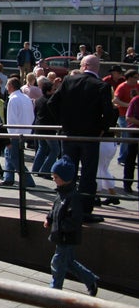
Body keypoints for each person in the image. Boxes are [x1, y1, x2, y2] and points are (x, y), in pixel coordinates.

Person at [48, 55, 117, 223]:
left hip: (70, 135)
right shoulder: (102, 86)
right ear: (96, 68)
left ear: (83, 65)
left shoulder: (68, 81)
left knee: (66, 172)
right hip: (90, 137)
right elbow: (109, 112)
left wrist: (64, 123)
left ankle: (64, 207)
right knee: (88, 175)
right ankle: (84, 211)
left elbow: (51, 103)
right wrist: (102, 129)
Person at [44, 156, 99, 296]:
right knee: (68, 262)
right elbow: (54, 209)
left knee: (57, 263)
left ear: (64, 178)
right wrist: (49, 218)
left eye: (55, 176)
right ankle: (90, 279)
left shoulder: (72, 197)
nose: (53, 179)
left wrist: (61, 228)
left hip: (66, 237)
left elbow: (74, 219)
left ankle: (55, 291)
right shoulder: (61, 193)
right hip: (61, 235)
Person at [3, 77, 36, 188]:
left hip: (16, 133)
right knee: (9, 154)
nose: (6, 88)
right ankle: (8, 178)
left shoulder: (13, 99)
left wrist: (10, 135)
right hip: (25, 131)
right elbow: (32, 116)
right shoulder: (25, 97)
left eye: (7, 85)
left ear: (11, 86)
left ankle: (28, 181)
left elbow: (11, 119)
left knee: (13, 157)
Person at [31, 77, 60, 179]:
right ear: (48, 91)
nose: (54, 91)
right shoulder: (51, 101)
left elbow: (35, 112)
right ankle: (44, 170)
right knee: (55, 150)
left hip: (38, 127)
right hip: (48, 129)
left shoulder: (38, 100)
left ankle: (35, 169)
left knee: (42, 148)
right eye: (53, 90)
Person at [125, 93, 139, 193]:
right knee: (130, 158)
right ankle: (127, 184)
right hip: (134, 132)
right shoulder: (135, 100)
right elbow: (128, 117)